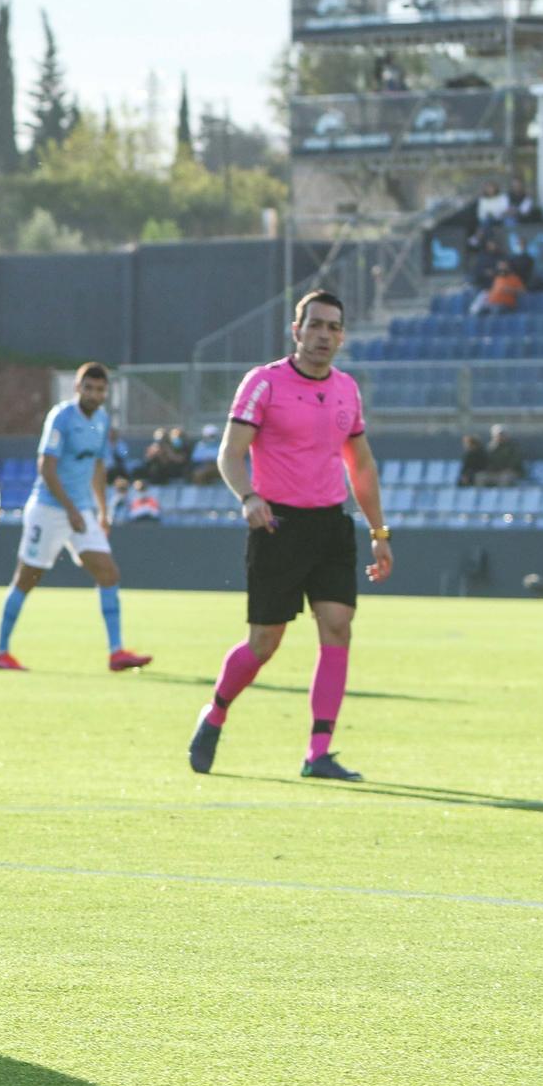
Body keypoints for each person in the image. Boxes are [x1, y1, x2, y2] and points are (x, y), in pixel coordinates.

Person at [188, 289, 392, 782]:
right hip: (277, 524)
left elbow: (359, 463)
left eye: (333, 327)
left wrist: (379, 531)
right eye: (315, 325)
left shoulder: (347, 389)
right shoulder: (264, 383)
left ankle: (318, 752)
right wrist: (248, 497)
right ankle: (215, 712)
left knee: (338, 628)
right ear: (296, 330)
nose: (324, 335)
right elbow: (230, 453)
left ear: (342, 336)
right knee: (264, 643)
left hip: (331, 525)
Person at [0, 363, 153, 674]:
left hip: (81, 511)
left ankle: (116, 652)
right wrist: (70, 510)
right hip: (49, 509)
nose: (94, 394)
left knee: (108, 573)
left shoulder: (103, 420)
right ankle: (1, 652)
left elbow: (97, 468)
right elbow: (46, 467)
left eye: (100, 389)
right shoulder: (61, 417)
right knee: (26, 579)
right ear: (78, 388)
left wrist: (102, 512)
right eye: (88, 388)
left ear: (106, 393)